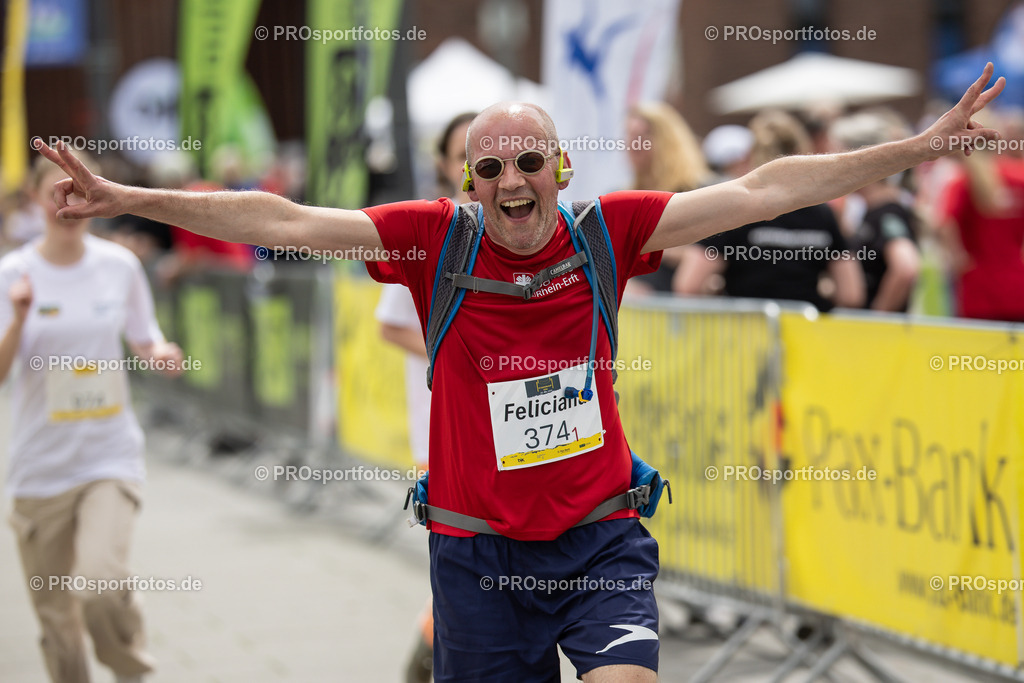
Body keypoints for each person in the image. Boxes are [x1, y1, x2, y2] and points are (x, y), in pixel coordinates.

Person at [32, 64, 1004, 682]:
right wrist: (128, 196)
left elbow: (760, 189)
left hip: (599, 535)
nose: (508, 183)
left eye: (527, 162)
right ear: (468, 181)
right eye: (489, 169)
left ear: (558, 170)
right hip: (477, 555)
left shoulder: (607, 231)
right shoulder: (428, 241)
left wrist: (912, 149)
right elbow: (278, 220)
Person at [1, 154, 183, 683]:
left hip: (108, 456)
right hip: (40, 467)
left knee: (101, 587)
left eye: (77, 189)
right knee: (58, 621)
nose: (66, 201)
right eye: (54, 190)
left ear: (93, 196)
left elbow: (146, 336)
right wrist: (15, 320)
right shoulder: (14, 274)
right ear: (34, 198)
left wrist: (161, 353)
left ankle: (132, 669)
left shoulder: (118, 266)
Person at [378, 111, 476, 683]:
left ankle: (430, 660)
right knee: (464, 571)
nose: (476, 166)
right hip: (444, 435)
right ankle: (427, 666)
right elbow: (389, 324)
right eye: (464, 154)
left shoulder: (530, 230)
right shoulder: (432, 232)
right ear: (443, 164)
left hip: (515, 437)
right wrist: (462, 356)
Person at [675, 110, 865, 311]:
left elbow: (689, 285)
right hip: (804, 332)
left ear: (751, 155)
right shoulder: (822, 212)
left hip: (746, 330)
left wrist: (718, 295)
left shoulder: (736, 208)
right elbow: (851, 295)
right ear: (802, 153)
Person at [830, 111, 922, 312]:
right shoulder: (872, 210)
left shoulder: (887, 212)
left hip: (879, 336)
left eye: (838, 160)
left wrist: (878, 316)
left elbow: (906, 268)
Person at [624, 102, 713, 293]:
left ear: (667, 139)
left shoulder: (697, 192)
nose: (633, 143)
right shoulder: (625, 196)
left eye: (642, 135)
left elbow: (711, 255)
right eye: (629, 135)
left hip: (681, 311)